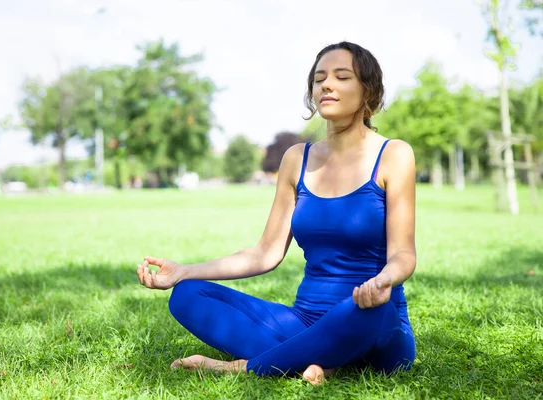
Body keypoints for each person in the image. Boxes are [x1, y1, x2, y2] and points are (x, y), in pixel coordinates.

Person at [137, 41, 417, 385]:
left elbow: (403, 254)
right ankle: (320, 359)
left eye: (342, 77)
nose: (326, 85)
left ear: (368, 91)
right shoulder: (296, 159)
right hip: (304, 319)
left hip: (373, 316)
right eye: (319, 79)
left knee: (367, 311)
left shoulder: (394, 155)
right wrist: (183, 271)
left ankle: (241, 366)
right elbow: (265, 253)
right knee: (189, 294)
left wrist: (384, 281)